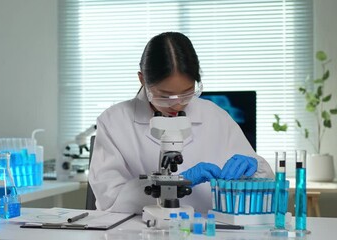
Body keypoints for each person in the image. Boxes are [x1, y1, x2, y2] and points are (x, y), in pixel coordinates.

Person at [88, 32, 273, 214]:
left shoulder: (216, 117)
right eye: (165, 96)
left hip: (208, 229)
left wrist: (254, 170)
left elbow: (266, 184)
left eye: (186, 93)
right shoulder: (114, 122)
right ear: (142, 80)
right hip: (141, 231)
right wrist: (173, 183)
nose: (177, 104)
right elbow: (109, 201)